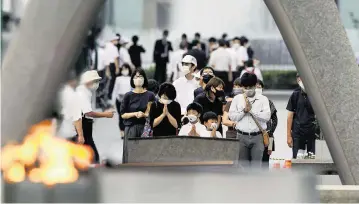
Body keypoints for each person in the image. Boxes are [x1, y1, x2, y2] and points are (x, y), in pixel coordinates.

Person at [228, 73, 271, 167]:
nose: (248, 89)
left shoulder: (263, 99)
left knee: (256, 167)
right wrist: (244, 111)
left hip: (257, 137)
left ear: (255, 85)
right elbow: (232, 116)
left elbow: (267, 116)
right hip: (241, 136)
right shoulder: (237, 99)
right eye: (245, 87)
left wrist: (251, 111)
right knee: (242, 166)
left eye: (250, 87)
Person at [77, 70, 115, 164]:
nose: (96, 84)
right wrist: (105, 115)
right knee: (93, 156)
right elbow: (88, 113)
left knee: (89, 155)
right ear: (88, 81)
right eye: (95, 81)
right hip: (82, 128)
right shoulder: (82, 93)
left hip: (85, 128)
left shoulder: (86, 92)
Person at [286, 73, 317, 159]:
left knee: (312, 158)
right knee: (297, 159)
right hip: (298, 132)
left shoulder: (316, 94)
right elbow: (290, 116)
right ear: (297, 80)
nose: (302, 81)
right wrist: (288, 136)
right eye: (300, 79)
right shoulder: (295, 94)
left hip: (313, 133)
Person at [120, 68, 155, 137]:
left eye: (141, 77)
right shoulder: (128, 95)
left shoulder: (150, 95)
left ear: (144, 79)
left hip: (146, 128)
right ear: (132, 79)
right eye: (136, 77)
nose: (138, 79)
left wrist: (144, 115)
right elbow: (123, 114)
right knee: (131, 147)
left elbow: (151, 112)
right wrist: (135, 114)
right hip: (131, 128)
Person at [57, 71, 84, 144]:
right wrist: (80, 135)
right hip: (69, 133)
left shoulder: (62, 91)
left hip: (61, 132)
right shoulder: (73, 96)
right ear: (73, 81)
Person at [256, 80, 278, 166]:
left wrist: (271, 131)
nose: (257, 88)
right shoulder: (249, 101)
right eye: (256, 86)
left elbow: (275, 119)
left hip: (267, 135)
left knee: (265, 160)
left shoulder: (268, 102)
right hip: (254, 135)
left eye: (259, 87)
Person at [111, 63, 132, 136]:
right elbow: (115, 90)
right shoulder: (118, 79)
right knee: (121, 116)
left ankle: (127, 130)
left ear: (129, 69)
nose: (124, 70)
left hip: (128, 100)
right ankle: (122, 132)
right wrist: (113, 102)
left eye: (126, 69)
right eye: (123, 69)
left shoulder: (131, 78)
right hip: (119, 99)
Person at [104, 34, 120, 100]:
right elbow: (115, 58)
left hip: (105, 65)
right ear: (113, 40)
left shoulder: (106, 46)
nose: (117, 41)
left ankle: (105, 95)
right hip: (112, 65)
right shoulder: (114, 47)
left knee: (106, 81)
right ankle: (109, 95)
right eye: (116, 40)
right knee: (112, 81)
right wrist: (117, 68)